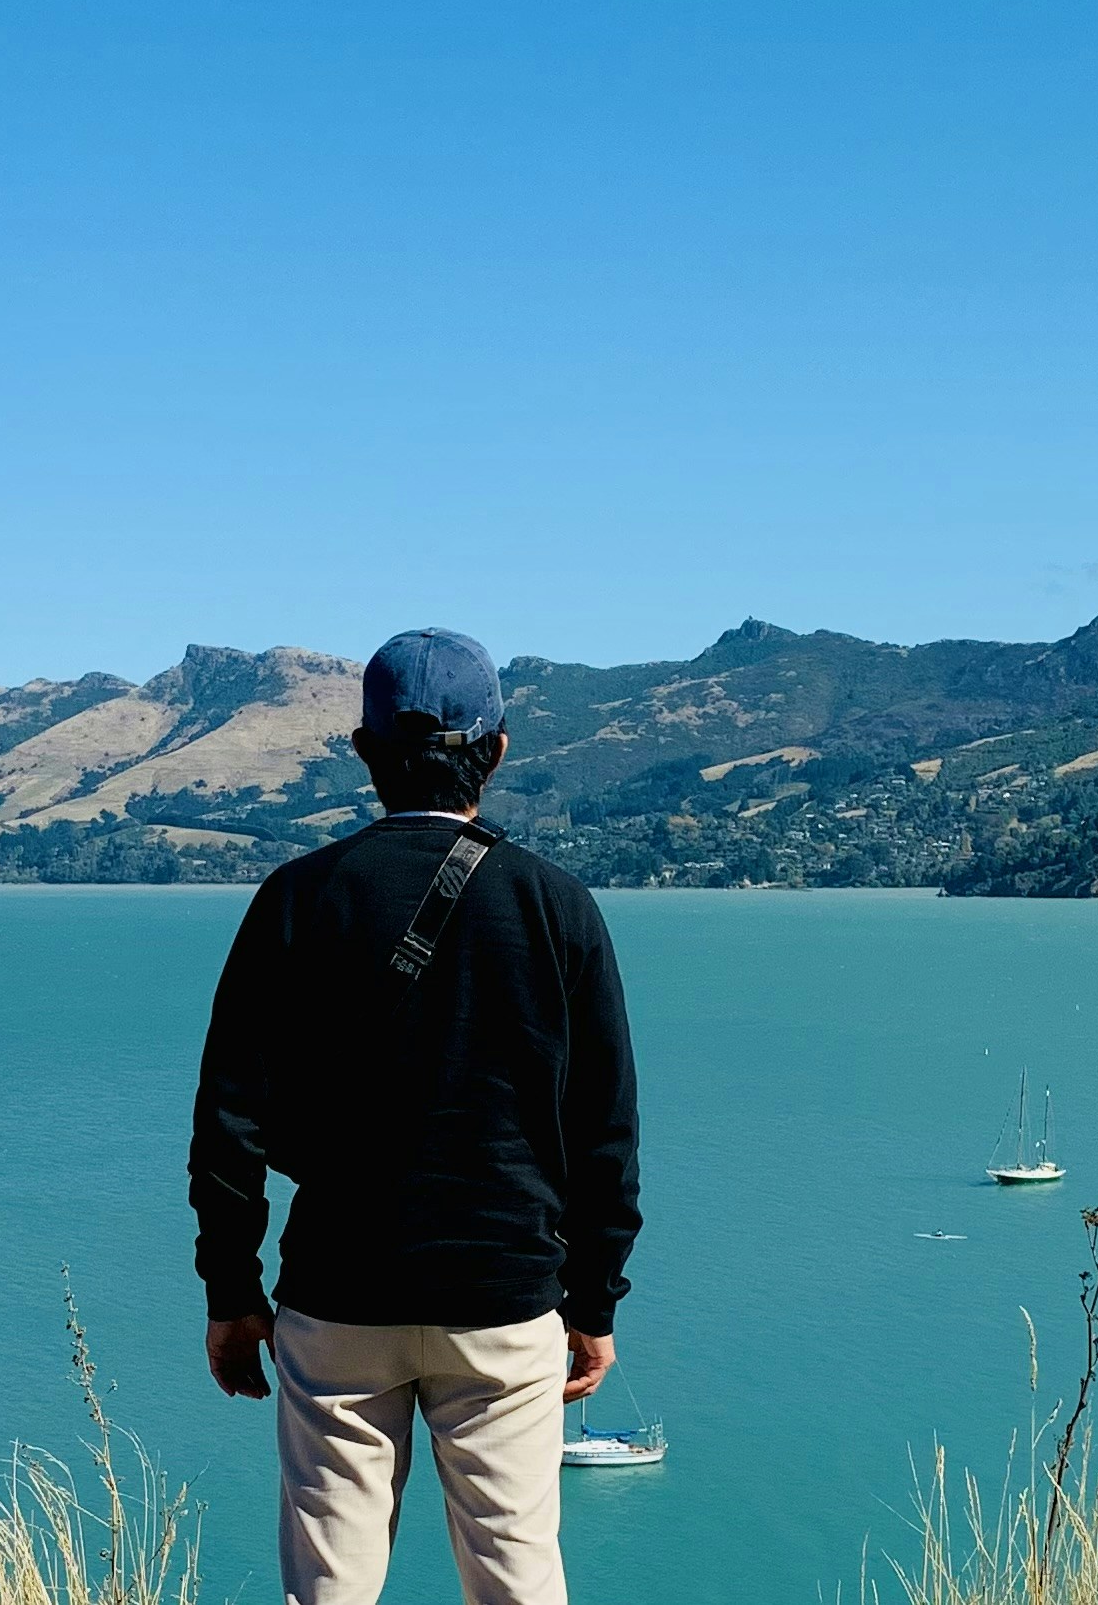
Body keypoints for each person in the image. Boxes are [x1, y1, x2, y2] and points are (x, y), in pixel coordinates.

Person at [189, 626, 642, 1605]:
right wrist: (595, 1303)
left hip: (338, 1296)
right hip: (504, 1296)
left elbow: (230, 1124)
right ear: (501, 746)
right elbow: (605, 1133)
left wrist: (232, 1290)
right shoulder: (558, 907)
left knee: (333, 1581)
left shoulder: (294, 901)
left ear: (363, 751)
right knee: (517, 1573)